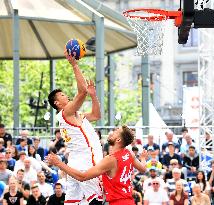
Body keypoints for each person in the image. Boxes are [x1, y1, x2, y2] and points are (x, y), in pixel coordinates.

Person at [48, 52, 103, 205]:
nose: (67, 96)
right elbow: (82, 91)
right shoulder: (66, 113)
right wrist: (74, 65)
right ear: (57, 103)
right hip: (86, 161)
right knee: (96, 200)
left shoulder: (75, 115)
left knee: (71, 202)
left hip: (74, 162)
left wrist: (93, 96)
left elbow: (96, 115)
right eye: (63, 95)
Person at [47, 125, 147, 205]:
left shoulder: (110, 160)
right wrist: (143, 158)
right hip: (129, 201)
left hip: (118, 202)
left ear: (118, 140)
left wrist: (59, 163)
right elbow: (143, 169)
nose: (112, 133)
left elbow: (82, 176)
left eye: (116, 131)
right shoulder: (129, 153)